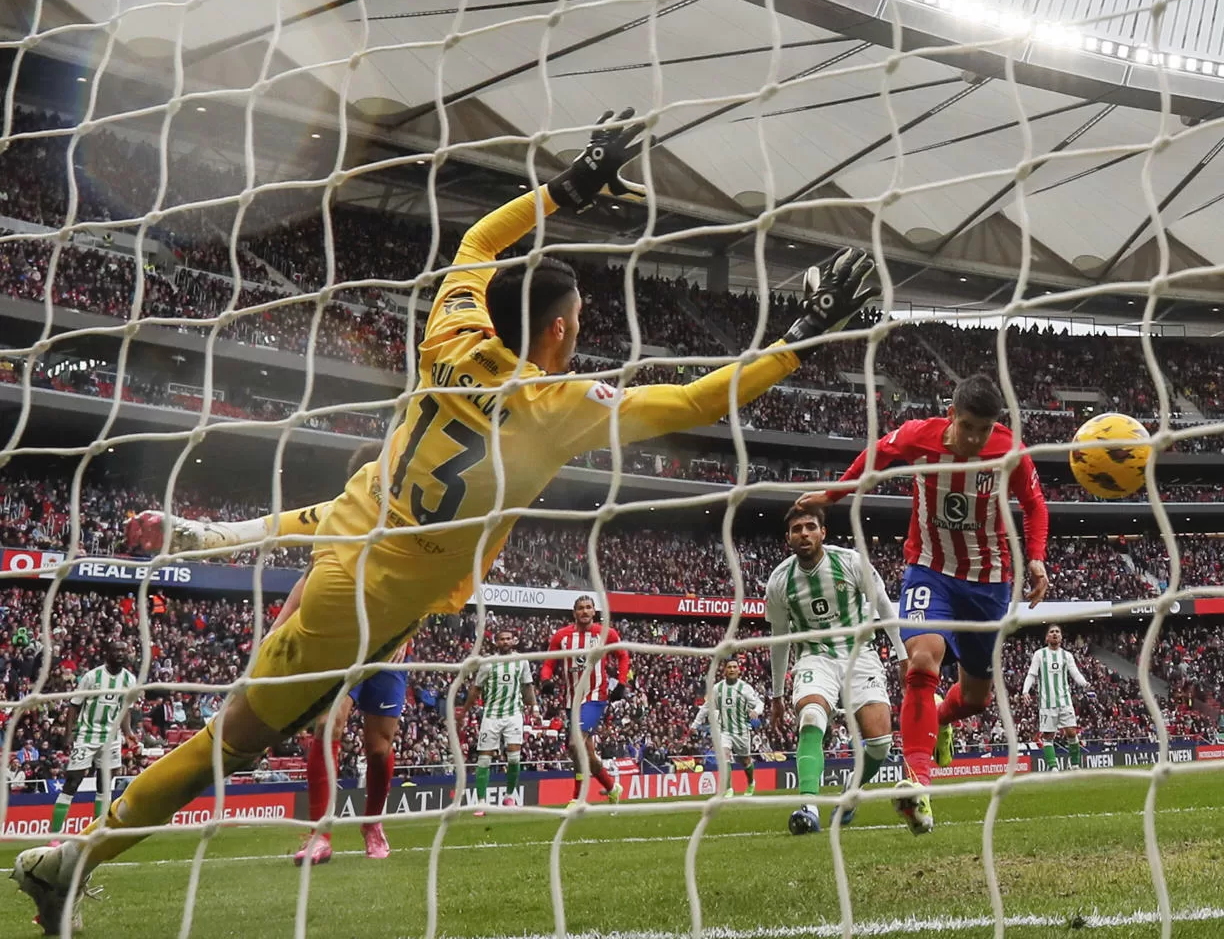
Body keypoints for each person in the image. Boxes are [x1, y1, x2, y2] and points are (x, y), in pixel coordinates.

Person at [13, 109, 878, 933]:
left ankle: (78, 862)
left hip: (360, 541)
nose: (580, 335)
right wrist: (797, 339)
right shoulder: (556, 406)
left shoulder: (450, 332)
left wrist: (567, 189)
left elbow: (476, 242)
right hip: (362, 600)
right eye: (577, 324)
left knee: (248, 730)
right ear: (560, 331)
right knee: (228, 744)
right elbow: (694, 398)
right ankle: (71, 861)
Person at [130, 442, 412, 866]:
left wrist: (406, 635)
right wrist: (276, 630)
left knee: (378, 746)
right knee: (325, 726)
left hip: (388, 648)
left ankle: (372, 823)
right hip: (340, 642)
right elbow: (310, 578)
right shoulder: (341, 520)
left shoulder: (411, 523)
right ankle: (320, 833)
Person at [796, 374, 1049, 836]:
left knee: (976, 699)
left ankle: (939, 713)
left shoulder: (1011, 452)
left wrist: (1035, 558)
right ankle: (917, 783)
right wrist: (833, 496)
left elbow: (1035, 505)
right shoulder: (919, 436)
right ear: (952, 414)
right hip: (929, 570)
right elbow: (876, 458)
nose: (975, 438)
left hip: (989, 584)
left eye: (985, 429)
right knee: (922, 659)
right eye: (968, 426)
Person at [763, 502, 899, 834]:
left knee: (881, 743)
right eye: (797, 529)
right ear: (788, 538)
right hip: (814, 656)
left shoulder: (851, 562)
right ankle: (808, 808)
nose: (804, 533)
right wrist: (777, 694)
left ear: (823, 532)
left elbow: (882, 604)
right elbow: (780, 639)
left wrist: (902, 653)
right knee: (811, 717)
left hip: (858, 653)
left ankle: (850, 795)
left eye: (810, 527)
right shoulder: (780, 581)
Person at [542, 596, 631, 804]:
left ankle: (577, 798)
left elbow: (623, 656)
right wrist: (546, 680)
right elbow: (548, 663)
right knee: (588, 755)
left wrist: (621, 683)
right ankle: (612, 787)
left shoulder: (606, 633)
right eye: (580, 608)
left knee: (575, 744)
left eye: (588, 607)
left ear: (594, 612)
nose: (584, 611)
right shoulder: (562, 636)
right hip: (572, 701)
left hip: (595, 697)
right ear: (574, 612)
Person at [48, 642, 139, 838]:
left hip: (112, 738)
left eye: (124, 650)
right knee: (72, 782)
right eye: (117, 650)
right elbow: (74, 705)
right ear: (108, 653)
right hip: (86, 736)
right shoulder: (91, 677)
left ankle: (97, 833)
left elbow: (126, 710)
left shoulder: (130, 680)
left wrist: (128, 733)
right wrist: (68, 733)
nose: (121, 654)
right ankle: (54, 836)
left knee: (105, 784)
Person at [460, 626, 535, 814]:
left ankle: (509, 796)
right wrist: (464, 712)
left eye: (508, 638)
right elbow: (476, 689)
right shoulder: (487, 663)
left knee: (514, 757)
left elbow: (527, 686)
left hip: (514, 714)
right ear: (496, 642)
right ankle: (481, 802)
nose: (505, 642)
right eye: (502, 639)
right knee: (484, 760)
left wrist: (534, 707)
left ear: (514, 641)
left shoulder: (522, 662)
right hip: (491, 715)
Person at [691, 659, 763, 797]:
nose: (732, 669)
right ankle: (728, 788)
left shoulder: (745, 688)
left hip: (742, 731)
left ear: (739, 670)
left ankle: (751, 782)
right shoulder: (717, 688)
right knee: (724, 757)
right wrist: (695, 724)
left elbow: (759, 703)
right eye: (729, 667)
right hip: (725, 731)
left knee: (746, 760)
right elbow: (706, 707)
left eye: (734, 667)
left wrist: (757, 711)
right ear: (724, 670)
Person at [1022, 625, 1089, 772]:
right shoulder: (1039, 654)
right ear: (1046, 637)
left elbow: (1075, 673)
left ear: (1061, 637)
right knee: (1048, 735)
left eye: (1057, 632)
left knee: (1071, 732)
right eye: (1051, 632)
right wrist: (1025, 691)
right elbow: (1032, 674)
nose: (1054, 634)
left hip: (1064, 701)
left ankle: (1075, 765)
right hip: (1047, 703)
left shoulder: (1067, 655)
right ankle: (1053, 767)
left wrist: (1084, 684)